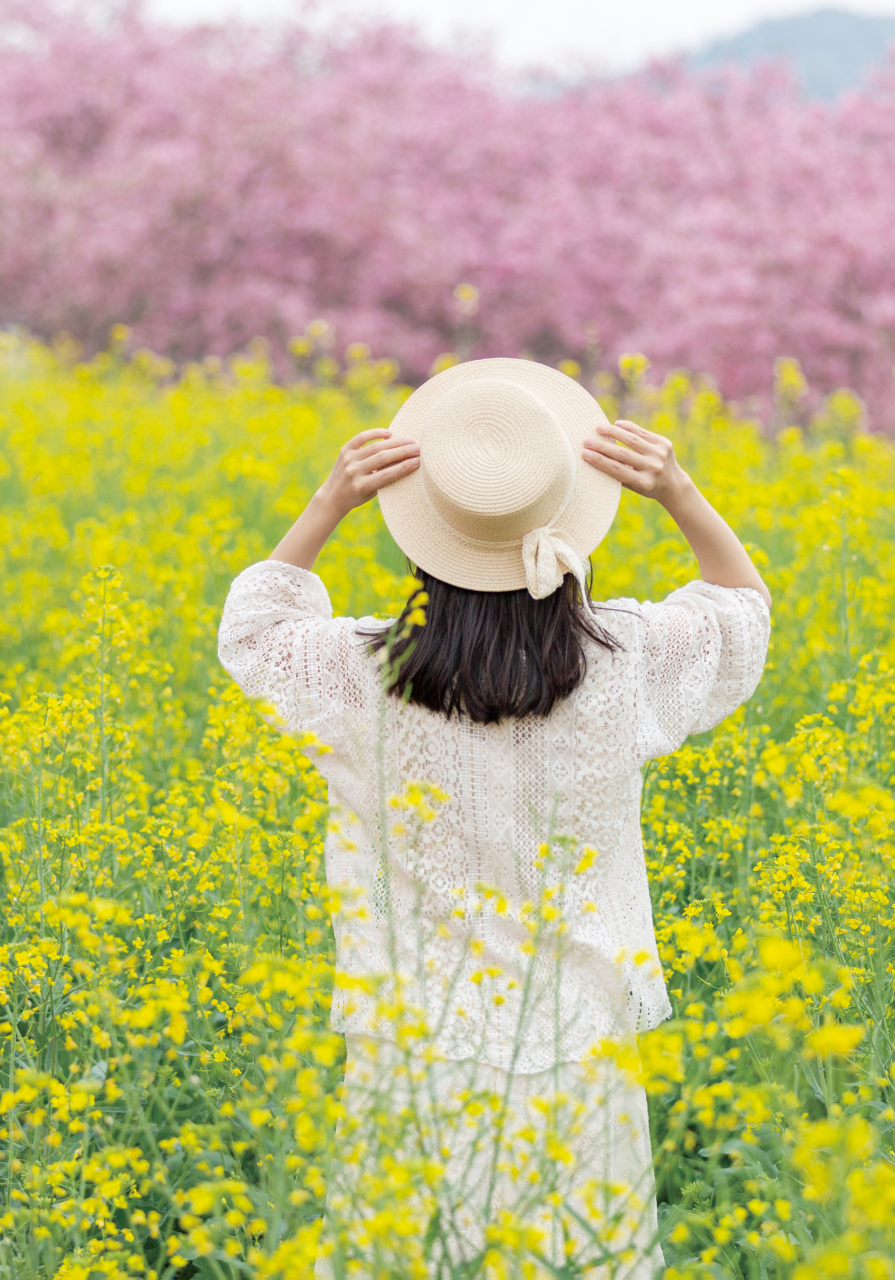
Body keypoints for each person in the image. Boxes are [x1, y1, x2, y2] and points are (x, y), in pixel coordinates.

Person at [217, 358, 770, 1277]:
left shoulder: (360, 675)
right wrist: (679, 493)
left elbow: (256, 631)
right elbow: (741, 613)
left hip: (415, 1041)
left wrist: (326, 503)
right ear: (563, 520)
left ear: (421, 540)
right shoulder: (623, 661)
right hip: (579, 1043)